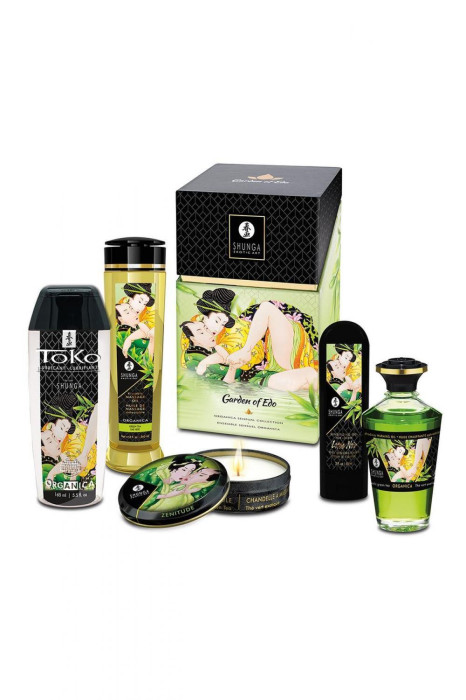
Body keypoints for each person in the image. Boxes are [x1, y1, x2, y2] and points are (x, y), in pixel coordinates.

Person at [180, 293, 318, 393]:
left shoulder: (230, 332)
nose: (212, 330)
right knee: (308, 378)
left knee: (266, 308)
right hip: (269, 369)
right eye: (202, 331)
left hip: (279, 347)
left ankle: (247, 350)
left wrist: (244, 351)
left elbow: (228, 351)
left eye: (221, 322)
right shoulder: (197, 351)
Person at [115, 283, 155, 359]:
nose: (141, 306)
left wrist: (130, 338)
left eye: (145, 303)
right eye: (139, 301)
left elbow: (150, 331)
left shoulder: (150, 311)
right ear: (130, 299)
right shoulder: (123, 304)